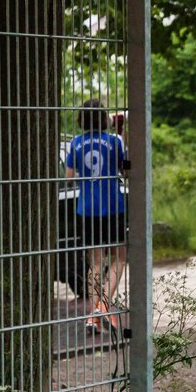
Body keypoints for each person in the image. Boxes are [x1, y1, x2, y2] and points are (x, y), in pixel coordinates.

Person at [65, 99, 127, 334]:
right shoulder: (114, 141)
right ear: (104, 119)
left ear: (81, 120)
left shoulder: (76, 143)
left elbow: (69, 178)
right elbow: (125, 170)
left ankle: (94, 314)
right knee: (119, 258)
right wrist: (123, 133)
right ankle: (101, 307)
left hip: (87, 208)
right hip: (113, 206)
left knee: (96, 262)